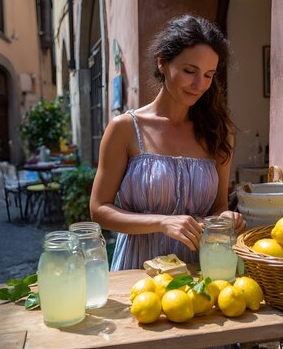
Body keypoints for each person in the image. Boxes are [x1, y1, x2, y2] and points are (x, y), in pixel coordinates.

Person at [90, 14, 246, 271]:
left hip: (201, 269)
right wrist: (162, 222)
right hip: (138, 270)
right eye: (189, 71)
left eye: (209, 75)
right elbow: (99, 210)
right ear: (162, 61)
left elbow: (218, 207)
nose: (200, 85)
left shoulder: (219, 131)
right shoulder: (126, 128)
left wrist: (225, 217)